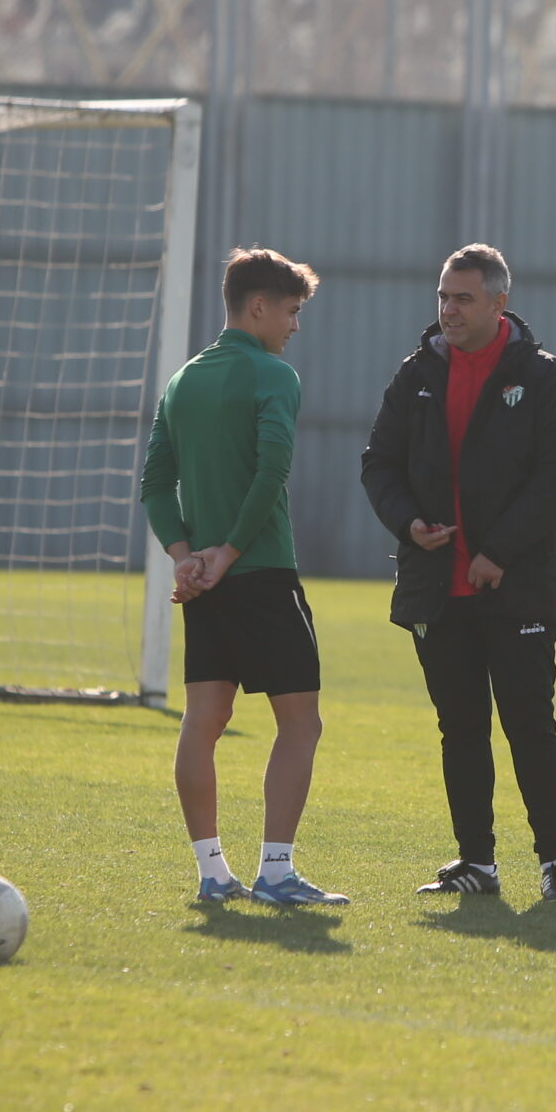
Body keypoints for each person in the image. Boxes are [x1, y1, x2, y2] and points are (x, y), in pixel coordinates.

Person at [361, 244, 556, 903]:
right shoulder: (416, 374)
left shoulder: (541, 375)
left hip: (516, 585)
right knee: (459, 727)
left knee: (528, 722)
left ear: (498, 302)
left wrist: (500, 552)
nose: (448, 309)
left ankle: (555, 864)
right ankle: (477, 863)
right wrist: (409, 525)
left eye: (462, 298)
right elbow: (379, 464)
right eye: (442, 296)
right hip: (438, 586)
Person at [140, 247, 345, 908]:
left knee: (203, 719)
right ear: (258, 306)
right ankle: (277, 871)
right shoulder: (271, 375)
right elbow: (272, 468)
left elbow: (153, 483)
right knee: (301, 724)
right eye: (290, 311)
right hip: (259, 573)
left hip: (203, 583)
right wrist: (226, 552)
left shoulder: (183, 380)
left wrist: (184, 556)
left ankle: (212, 872)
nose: (294, 326)